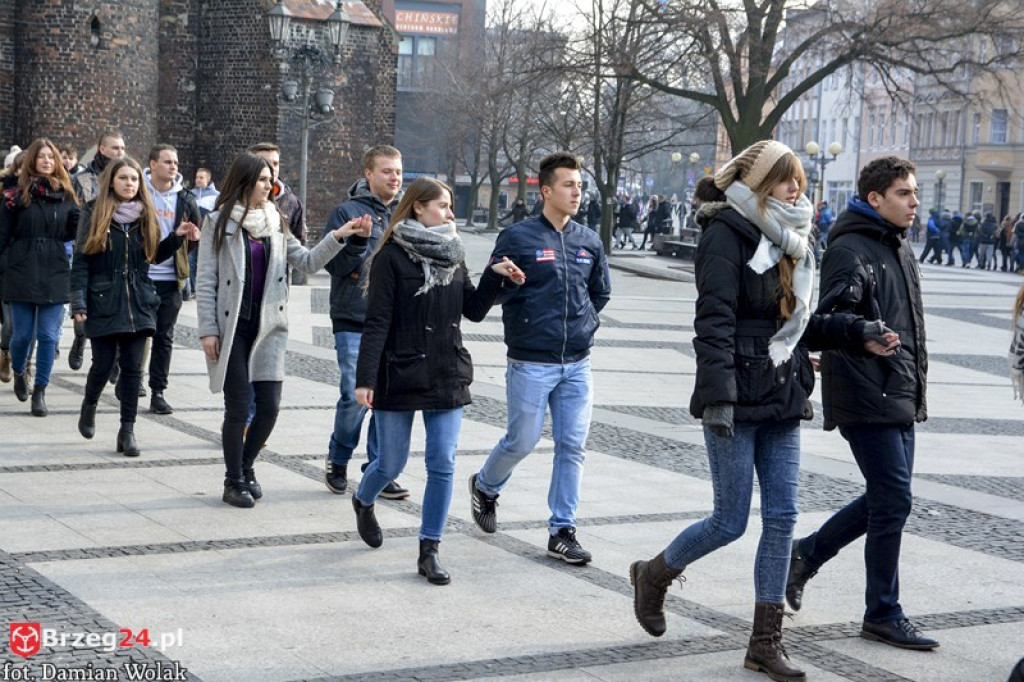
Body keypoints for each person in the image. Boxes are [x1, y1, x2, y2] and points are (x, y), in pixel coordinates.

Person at [627, 141, 896, 682]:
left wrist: (856, 332)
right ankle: (654, 574)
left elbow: (799, 324)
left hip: (783, 389)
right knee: (729, 520)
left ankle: (764, 643)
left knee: (782, 519)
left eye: (796, 178)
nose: (794, 188)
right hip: (736, 393)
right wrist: (719, 396)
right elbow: (715, 319)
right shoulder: (725, 232)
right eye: (782, 178)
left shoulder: (794, 237)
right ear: (754, 181)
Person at [786, 156, 939, 652]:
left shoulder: (896, 246)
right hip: (865, 391)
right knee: (893, 499)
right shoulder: (851, 250)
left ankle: (807, 553)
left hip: (897, 390)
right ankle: (882, 612)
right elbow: (820, 322)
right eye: (904, 194)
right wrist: (863, 333)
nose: (915, 202)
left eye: (914, 193)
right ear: (875, 199)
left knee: (887, 499)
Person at [350, 177, 525, 584]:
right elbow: (377, 323)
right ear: (418, 208)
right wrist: (365, 378)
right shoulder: (390, 258)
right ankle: (363, 499)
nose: (450, 214)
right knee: (390, 462)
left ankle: (429, 548)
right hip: (399, 372)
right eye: (444, 206)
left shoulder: (453, 253)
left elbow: (474, 309)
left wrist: (497, 277)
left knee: (442, 462)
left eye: (449, 206)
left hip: (446, 371)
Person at [196, 152, 370, 508]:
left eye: (270, 179)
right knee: (237, 407)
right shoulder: (219, 221)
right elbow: (206, 279)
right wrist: (208, 330)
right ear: (245, 182)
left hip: (270, 328)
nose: (269, 184)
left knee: (270, 407)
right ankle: (233, 481)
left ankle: (245, 466)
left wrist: (339, 236)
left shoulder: (276, 220)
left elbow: (305, 261)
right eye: (262, 179)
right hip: (233, 328)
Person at [468, 152, 611, 565]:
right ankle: (486, 486)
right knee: (523, 440)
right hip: (531, 361)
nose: (576, 192)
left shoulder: (589, 239)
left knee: (573, 445)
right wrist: (506, 280)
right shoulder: (519, 237)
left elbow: (600, 292)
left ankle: (562, 530)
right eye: (568, 185)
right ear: (546, 191)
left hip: (577, 362)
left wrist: (583, 324)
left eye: (580, 186)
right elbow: (490, 292)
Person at [72, 157, 198, 456]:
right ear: (111, 182)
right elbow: (80, 262)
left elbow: (152, 256)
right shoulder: (93, 212)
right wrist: (78, 301)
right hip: (103, 299)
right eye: (123, 178)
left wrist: (175, 238)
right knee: (102, 365)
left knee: (131, 370)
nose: (129, 184)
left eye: (133, 179)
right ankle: (89, 404)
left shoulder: (146, 214)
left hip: (140, 300)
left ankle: (127, 430)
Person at [323, 145, 408, 498]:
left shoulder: (408, 214)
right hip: (354, 317)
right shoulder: (347, 211)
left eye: (398, 172)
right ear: (369, 174)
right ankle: (338, 458)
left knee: (386, 399)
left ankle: (379, 469)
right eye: (387, 171)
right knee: (355, 397)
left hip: (396, 322)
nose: (394, 178)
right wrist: (357, 243)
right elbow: (333, 266)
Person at [0, 138, 80, 416]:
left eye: (51, 157)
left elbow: (74, 231)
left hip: (55, 267)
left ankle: (40, 391)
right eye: (41, 157)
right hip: (21, 267)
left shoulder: (67, 195)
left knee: (48, 335)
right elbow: (2, 236)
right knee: (21, 336)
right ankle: (20, 371)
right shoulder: (14, 194)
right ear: (31, 160)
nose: (47, 161)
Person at [143, 144, 200, 414]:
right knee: (135, 334)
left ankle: (157, 391)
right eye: (167, 162)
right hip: (140, 275)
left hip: (170, 278)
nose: (173, 166)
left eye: (175, 162)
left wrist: (192, 239)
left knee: (164, 337)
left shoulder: (185, 198)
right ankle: (126, 378)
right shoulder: (139, 193)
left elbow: (194, 235)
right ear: (153, 164)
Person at [69, 131, 127, 373]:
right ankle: (81, 338)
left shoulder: (126, 177)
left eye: (122, 149)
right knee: (86, 302)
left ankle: (113, 355)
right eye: (115, 148)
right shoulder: (84, 180)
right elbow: (80, 213)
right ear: (101, 150)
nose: (120, 153)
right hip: (89, 247)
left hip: (115, 251)